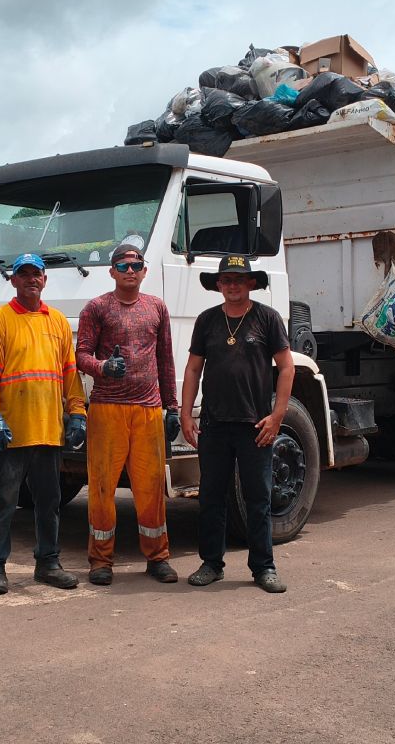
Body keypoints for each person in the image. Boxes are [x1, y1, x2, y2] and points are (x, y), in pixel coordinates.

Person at [179, 254, 294, 593]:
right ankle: (211, 564)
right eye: (226, 280)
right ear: (218, 285)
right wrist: (186, 414)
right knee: (211, 497)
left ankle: (264, 567)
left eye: (239, 280)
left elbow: (286, 367)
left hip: (255, 426)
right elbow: (193, 369)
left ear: (250, 283)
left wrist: (277, 416)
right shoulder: (207, 320)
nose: (232, 285)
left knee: (258, 497)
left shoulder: (267, 318)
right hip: (214, 425)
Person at [0, 254, 87, 595]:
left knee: (49, 503)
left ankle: (48, 563)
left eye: (35, 274)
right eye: (23, 274)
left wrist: (78, 412)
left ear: (44, 279)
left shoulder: (57, 322)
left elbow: (70, 373)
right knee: (3, 502)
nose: (30, 279)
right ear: (13, 281)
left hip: (48, 432)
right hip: (10, 434)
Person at [76, 243, 180, 586]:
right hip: (107, 409)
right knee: (102, 488)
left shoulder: (157, 308)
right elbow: (81, 355)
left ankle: (158, 557)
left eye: (136, 265)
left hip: (148, 409)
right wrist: (104, 367)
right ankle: (100, 561)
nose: (130, 271)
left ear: (145, 271)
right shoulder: (97, 308)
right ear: (112, 272)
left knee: (150, 487)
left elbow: (165, 360)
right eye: (123, 266)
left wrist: (172, 407)